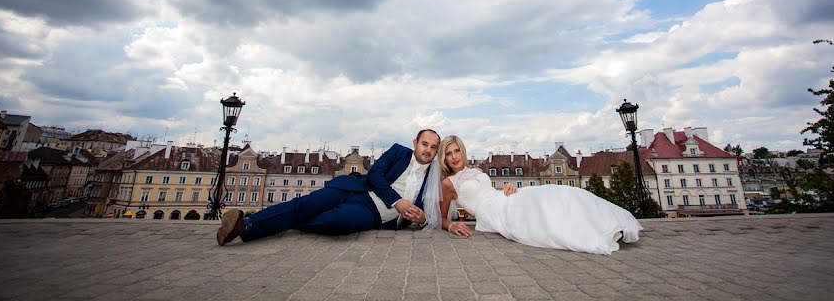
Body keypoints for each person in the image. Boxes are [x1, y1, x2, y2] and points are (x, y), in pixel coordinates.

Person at [217, 129, 442, 245]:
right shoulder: (399, 152)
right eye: (424, 144)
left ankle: (277, 222)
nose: (427, 150)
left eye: (433, 147)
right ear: (415, 143)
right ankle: (245, 226)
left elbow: (430, 214)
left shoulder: (434, 175)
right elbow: (374, 174)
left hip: (373, 213)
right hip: (355, 190)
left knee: (337, 223)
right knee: (305, 204)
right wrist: (398, 201)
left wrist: (421, 219)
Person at [437, 135, 641, 254]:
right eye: (448, 153)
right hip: (494, 216)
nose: (454, 157)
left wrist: (508, 187)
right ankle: (595, 233)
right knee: (541, 219)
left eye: (456, 151)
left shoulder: (478, 170)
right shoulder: (448, 183)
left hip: (505, 199)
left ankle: (605, 223)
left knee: (555, 194)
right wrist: (452, 225)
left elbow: (490, 192)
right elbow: (442, 217)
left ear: (462, 151)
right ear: (444, 158)